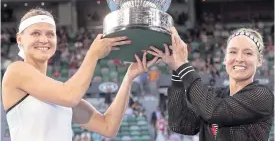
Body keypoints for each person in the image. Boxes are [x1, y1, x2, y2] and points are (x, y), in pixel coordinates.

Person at [2, 8, 159, 141]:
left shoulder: (58, 93)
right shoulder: (16, 70)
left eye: (50, 34)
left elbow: (108, 126)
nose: (44, 39)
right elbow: (70, 95)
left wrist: (128, 78)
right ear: (20, 39)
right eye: (35, 33)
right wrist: (93, 54)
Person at [148, 27, 274, 141]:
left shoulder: (262, 96)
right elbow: (180, 125)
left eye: (248, 53)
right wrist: (176, 69)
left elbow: (213, 111)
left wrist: (183, 66)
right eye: (233, 52)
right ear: (225, 59)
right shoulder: (215, 95)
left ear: (259, 61)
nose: (239, 58)